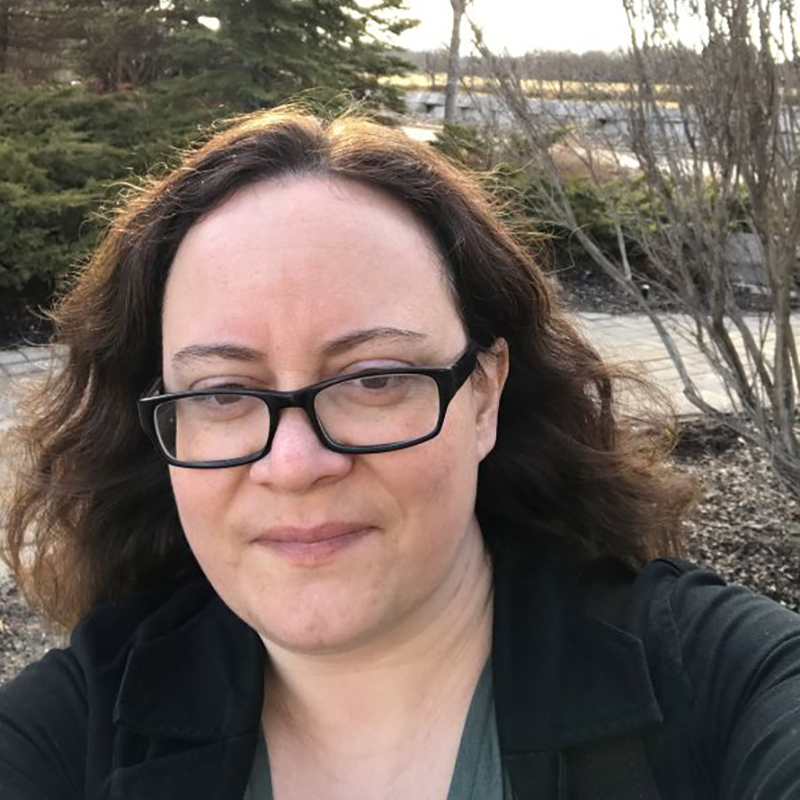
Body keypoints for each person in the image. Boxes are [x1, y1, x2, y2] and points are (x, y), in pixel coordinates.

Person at [1, 108, 799, 800]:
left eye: (375, 379)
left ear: (482, 396)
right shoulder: (72, 733)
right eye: (220, 393)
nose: (296, 464)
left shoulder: (724, 685)